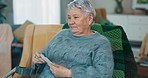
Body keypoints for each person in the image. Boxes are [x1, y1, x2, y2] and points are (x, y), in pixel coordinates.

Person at [32, 0, 114, 78]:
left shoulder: (101, 43)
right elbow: (44, 55)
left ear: (89, 19)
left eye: (75, 17)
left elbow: (104, 74)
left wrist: (69, 73)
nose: (70, 22)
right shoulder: (61, 34)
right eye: (69, 17)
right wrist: (38, 60)